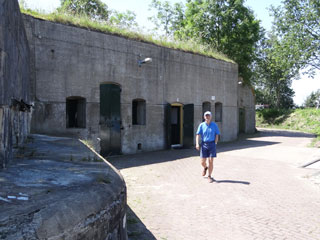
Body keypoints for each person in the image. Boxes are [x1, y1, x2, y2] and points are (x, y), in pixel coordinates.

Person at [196, 111, 220, 183]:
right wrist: (197, 144)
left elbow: (217, 134)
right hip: (204, 145)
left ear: (211, 117)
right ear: (204, 117)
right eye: (206, 116)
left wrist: (215, 142)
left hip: (212, 144)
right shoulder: (201, 125)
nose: (207, 117)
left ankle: (209, 176)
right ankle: (205, 167)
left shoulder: (214, 125)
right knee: (202, 162)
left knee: (211, 161)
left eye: (208, 116)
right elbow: (198, 135)